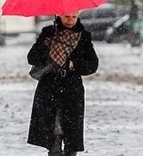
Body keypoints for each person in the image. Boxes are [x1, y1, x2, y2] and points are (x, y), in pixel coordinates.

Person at [27, 12, 99, 156]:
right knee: (54, 134)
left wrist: (73, 64)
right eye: (67, 16)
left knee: (72, 138)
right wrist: (45, 45)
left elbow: (92, 65)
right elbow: (32, 58)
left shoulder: (83, 36)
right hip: (49, 89)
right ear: (59, 15)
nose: (70, 20)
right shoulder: (48, 33)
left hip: (72, 90)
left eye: (74, 16)